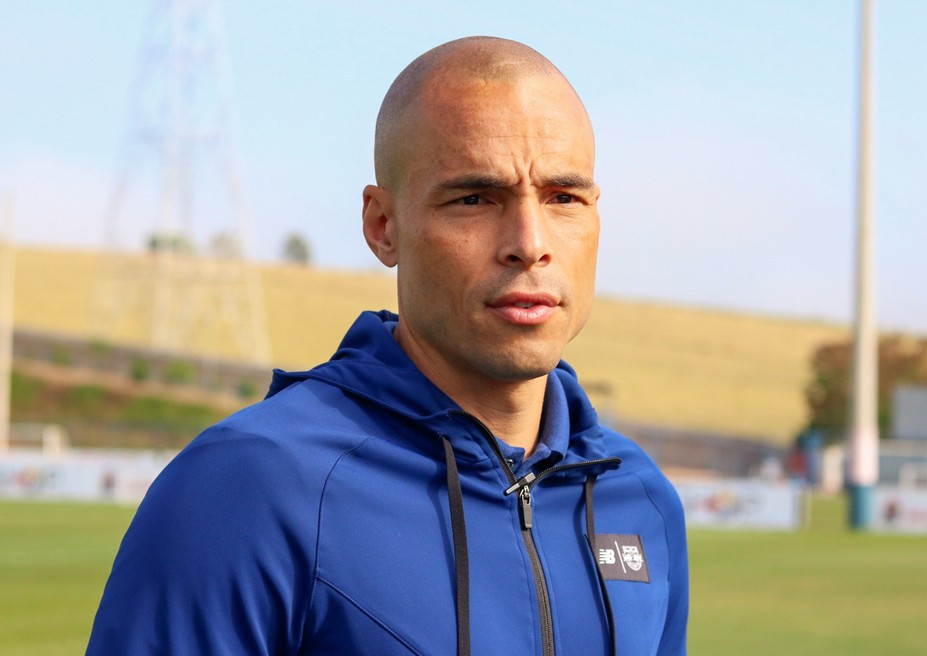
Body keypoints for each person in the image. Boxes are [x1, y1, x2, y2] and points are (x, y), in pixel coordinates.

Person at [87, 36, 689, 655]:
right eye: (474, 199)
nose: (530, 243)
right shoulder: (249, 486)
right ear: (383, 226)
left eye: (564, 198)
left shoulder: (641, 499)